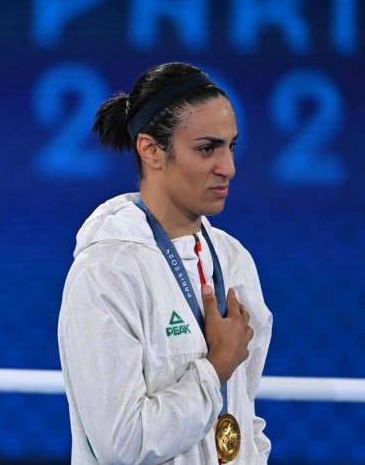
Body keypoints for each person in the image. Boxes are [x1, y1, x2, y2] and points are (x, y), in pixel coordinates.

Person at [57, 62, 272, 464]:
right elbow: (122, 445)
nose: (228, 167)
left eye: (231, 146)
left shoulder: (234, 261)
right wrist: (215, 368)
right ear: (151, 150)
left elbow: (244, 411)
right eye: (207, 148)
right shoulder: (105, 273)